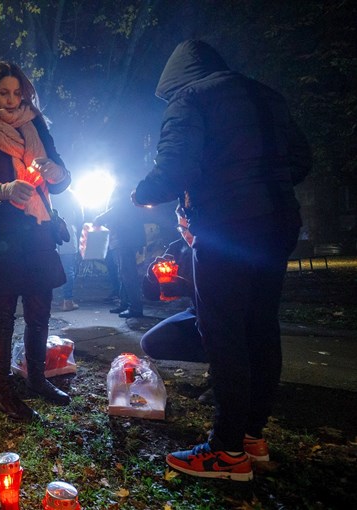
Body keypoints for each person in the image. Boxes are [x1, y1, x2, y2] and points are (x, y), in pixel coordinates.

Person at [131, 40, 311, 481]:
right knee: (261, 327)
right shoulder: (267, 95)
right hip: (277, 224)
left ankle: (226, 451)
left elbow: (173, 168)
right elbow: (302, 160)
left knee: (224, 332)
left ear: (174, 80)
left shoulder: (190, 99)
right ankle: (252, 436)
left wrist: (142, 194)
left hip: (227, 228)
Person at [0, 61, 72, 422]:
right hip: (1, 240)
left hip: (38, 232)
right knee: (2, 319)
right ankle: (4, 394)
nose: (10, 99)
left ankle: (37, 379)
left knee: (39, 312)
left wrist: (57, 172)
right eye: (3, 92)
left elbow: (62, 175)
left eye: (17, 92)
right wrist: (1, 190)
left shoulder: (36, 124)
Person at [140, 206, 205, 363]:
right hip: (197, 311)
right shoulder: (177, 248)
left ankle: (223, 368)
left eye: (190, 229)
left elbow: (223, 294)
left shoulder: (213, 248)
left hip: (222, 311)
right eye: (182, 229)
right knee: (151, 342)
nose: (187, 235)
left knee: (213, 326)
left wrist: (188, 287)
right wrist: (151, 277)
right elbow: (152, 296)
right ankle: (215, 357)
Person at [93, 192, 146, 318]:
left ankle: (135, 308)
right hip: (125, 239)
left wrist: (99, 219)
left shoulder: (121, 190)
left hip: (125, 239)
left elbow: (116, 209)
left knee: (128, 274)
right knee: (123, 273)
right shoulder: (125, 188)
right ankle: (125, 304)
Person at [51, 187, 84, 312]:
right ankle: (67, 300)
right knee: (68, 269)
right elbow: (80, 217)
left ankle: (50, 298)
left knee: (50, 268)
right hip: (67, 234)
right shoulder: (72, 195)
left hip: (50, 237)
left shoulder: (49, 193)